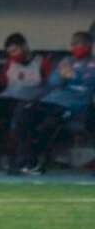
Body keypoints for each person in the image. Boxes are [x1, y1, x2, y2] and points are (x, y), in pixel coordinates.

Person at [13, 31, 95, 174]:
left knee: (48, 124)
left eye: (79, 43)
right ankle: (25, 161)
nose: (75, 46)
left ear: (89, 45)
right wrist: (63, 77)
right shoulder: (66, 62)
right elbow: (52, 82)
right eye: (73, 43)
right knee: (23, 114)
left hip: (73, 106)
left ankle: (32, 161)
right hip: (50, 101)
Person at [0, 32, 53, 172]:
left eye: (15, 51)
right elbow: (2, 83)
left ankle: (21, 158)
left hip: (31, 101)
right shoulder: (10, 63)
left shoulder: (43, 62)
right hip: (9, 99)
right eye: (10, 53)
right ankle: (4, 154)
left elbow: (49, 85)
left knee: (20, 118)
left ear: (25, 47)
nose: (13, 55)